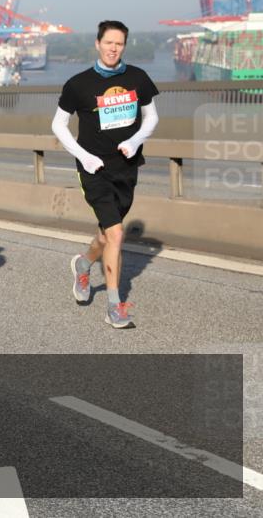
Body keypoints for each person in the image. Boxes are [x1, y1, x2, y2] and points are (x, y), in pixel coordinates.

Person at [52, 20, 159, 329]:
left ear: (124, 46)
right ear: (97, 43)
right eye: (108, 42)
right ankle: (115, 306)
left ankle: (84, 265)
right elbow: (58, 125)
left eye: (119, 44)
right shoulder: (78, 84)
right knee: (116, 234)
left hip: (126, 166)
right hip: (93, 169)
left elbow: (151, 117)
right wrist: (83, 157)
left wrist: (134, 140)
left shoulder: (137, 77)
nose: (113, 48)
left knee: (107, 232)